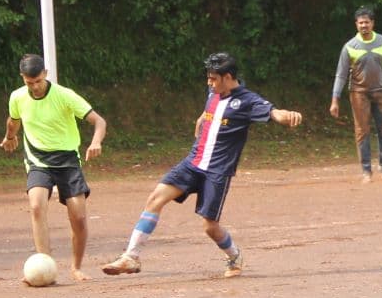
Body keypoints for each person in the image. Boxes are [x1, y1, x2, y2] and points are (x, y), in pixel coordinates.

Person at [102, 52, 303, 279]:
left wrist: (287, 116)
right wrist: (201, 118)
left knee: (210, 227)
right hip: (193, 163)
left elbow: (274, 112)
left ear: (228, 77)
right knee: (155, 198)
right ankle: (131, 257)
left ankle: (234, 256)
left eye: (213, 78)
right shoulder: (213, 92)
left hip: (217, 171)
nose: (209, 82)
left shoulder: (247, 101)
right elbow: (209, 110)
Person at [0, 54, 107, 283]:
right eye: (29, 82)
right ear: (23, 78)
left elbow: (99, 121)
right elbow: (13, 119)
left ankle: (76, 267)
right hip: (38, 160)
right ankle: (44, 267)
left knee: (78, 217)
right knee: (37, 206)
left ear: (45, 74)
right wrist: (10, 136)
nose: (35, 87)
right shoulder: (17, 97)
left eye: (38, 81)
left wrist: (96, 142)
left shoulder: (64, 95)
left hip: (68, 160)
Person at [328, 6, 382, 183]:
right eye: (360, 23)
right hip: (358, 93)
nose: (364, 26)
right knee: (362, 131)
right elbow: (341, 74)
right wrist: (335, 100)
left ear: (372, 23)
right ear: (356, 24)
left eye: (367, 22)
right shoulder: (349, 47)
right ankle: (366, 171)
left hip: (380, 92)